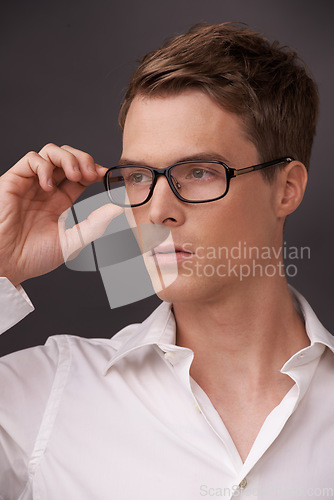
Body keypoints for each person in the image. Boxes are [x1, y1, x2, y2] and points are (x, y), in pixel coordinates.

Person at [0, 22, 333, 500]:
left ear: (286, 188)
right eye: (138, 176)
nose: (157, 210)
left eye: (198, 172)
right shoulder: (46, 394)